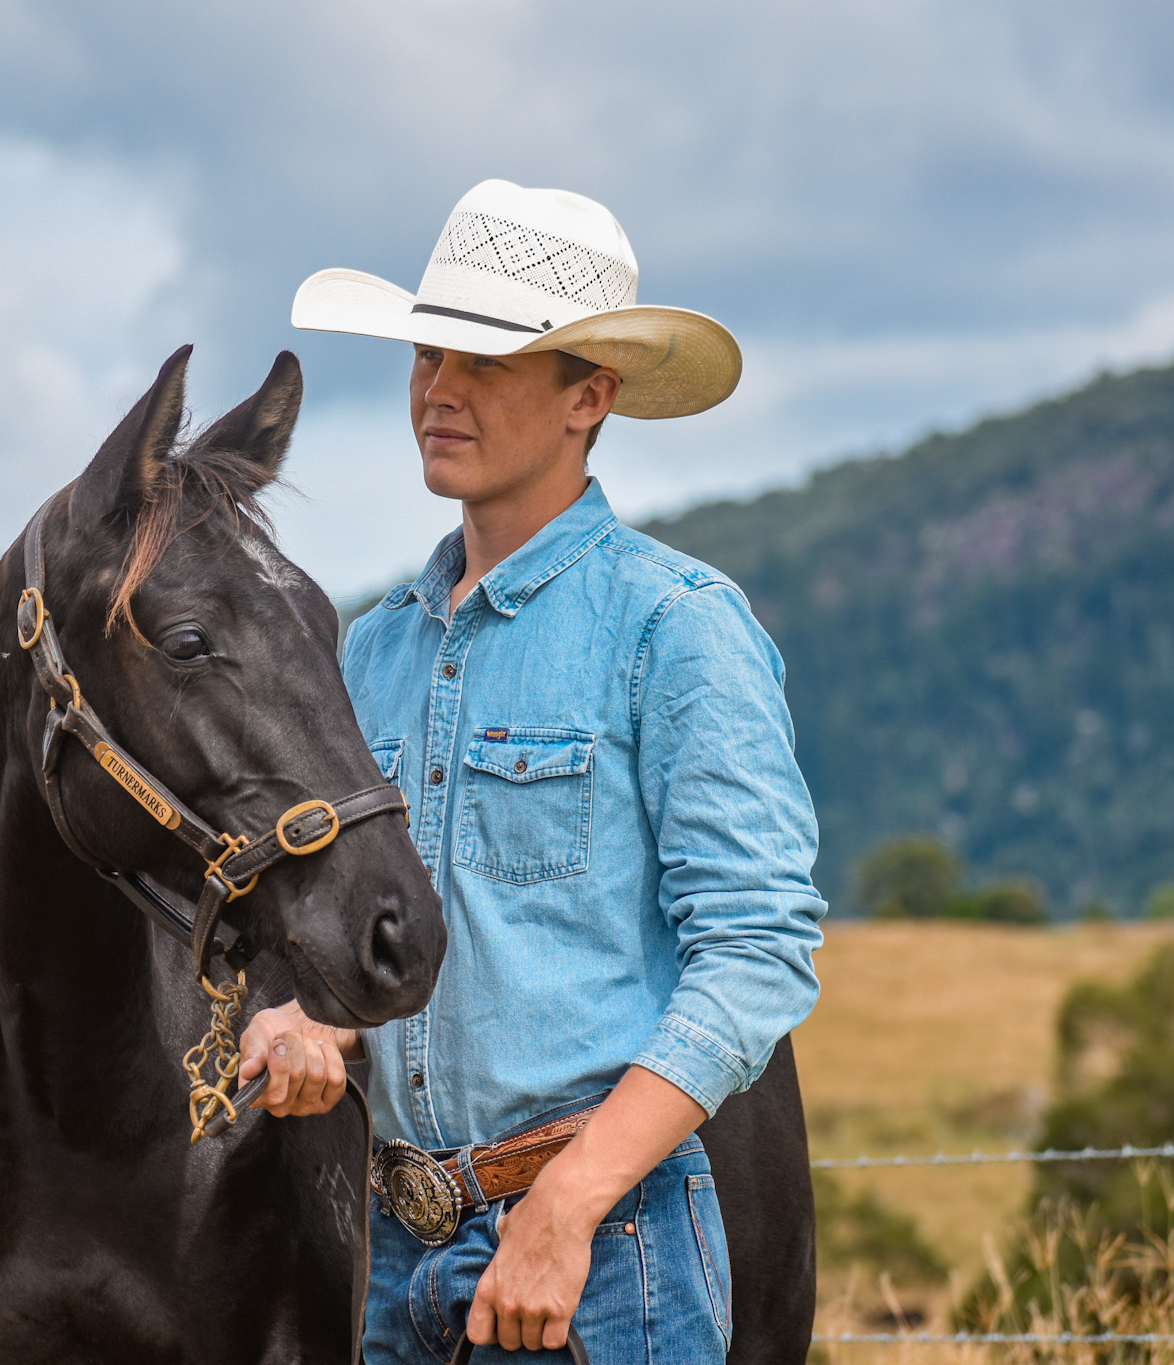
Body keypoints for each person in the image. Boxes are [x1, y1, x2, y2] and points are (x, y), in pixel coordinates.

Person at [236, 180, 826, 1364]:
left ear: (587, 397)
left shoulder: (674, 627)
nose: (438, 389)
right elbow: (383, 952)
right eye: (427, 354)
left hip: (604, 1251)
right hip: (390, 1254)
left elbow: (757, 952)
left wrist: (566, 1205)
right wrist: (311, 1024)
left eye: (486, 362)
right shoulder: (369, 651)